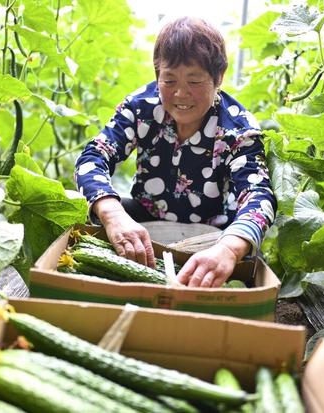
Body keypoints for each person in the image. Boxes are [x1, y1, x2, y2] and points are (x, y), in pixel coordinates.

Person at [74, 17, 277, 288]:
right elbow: (93, 158)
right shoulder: (140, 109)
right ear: (157, 74)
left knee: (244, 246)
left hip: (211, 235)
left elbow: (258, 195)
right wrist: (112, 214)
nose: (181, 94)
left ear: (218, 79)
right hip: (143, 221)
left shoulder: (238, 130)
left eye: (194, 81)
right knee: (78, 207)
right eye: (169, 81)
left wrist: (229, 249)